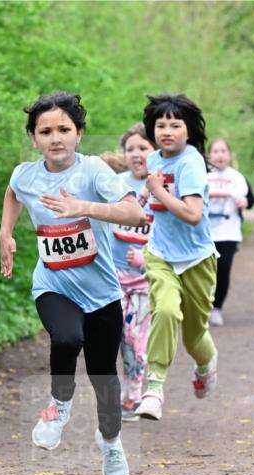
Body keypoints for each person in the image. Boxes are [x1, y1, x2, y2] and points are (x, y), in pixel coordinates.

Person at [0, 92, 147, 475]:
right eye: (45, 131)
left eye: (64, 129)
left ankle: (112, 444)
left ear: (79, 133)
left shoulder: (94, 171)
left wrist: (85, 207)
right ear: (34, 138)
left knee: (105, 380)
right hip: (53, 283)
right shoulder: (25, 174)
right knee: (66, 338)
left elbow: (134, 213)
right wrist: (5, 232)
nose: (55, 138)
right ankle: (58, 407)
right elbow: (13, 193)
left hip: (101, 292)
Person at [134, 94, 218, 421]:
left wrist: (158, 192)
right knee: (166, 311)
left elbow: (193, 214)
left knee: (194, 336)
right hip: (160, 254)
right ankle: (153, 388)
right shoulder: (154, 159)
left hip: (197, 258)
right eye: (160, 125)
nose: (167, 131)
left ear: (189, 131)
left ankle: (206, 365)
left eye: (175, 125)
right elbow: (149, 194)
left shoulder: (190, 163)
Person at [108, 123, 156, 420]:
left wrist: (146, 258)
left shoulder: (161, 186)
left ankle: (134, 396)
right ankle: (117, 393)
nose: (137, 154)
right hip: (111, 279)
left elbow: (172, 234)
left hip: (143, 281)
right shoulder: (114, 183)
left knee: (134, 338)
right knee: (110, 337)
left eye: (143, 148)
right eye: (131, 149)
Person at [205, 138, 249, 326]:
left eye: (223, 151)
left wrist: (244, 202)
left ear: (229, 155)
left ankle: (217, 308)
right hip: (204, 234)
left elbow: (247, 198)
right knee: (204, 274)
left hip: (229, 234)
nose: (220, 155)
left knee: (223, 273)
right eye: (215, 151)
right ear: (208, 155)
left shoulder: (237, 177)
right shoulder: (201, 176)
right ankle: (201, 306)